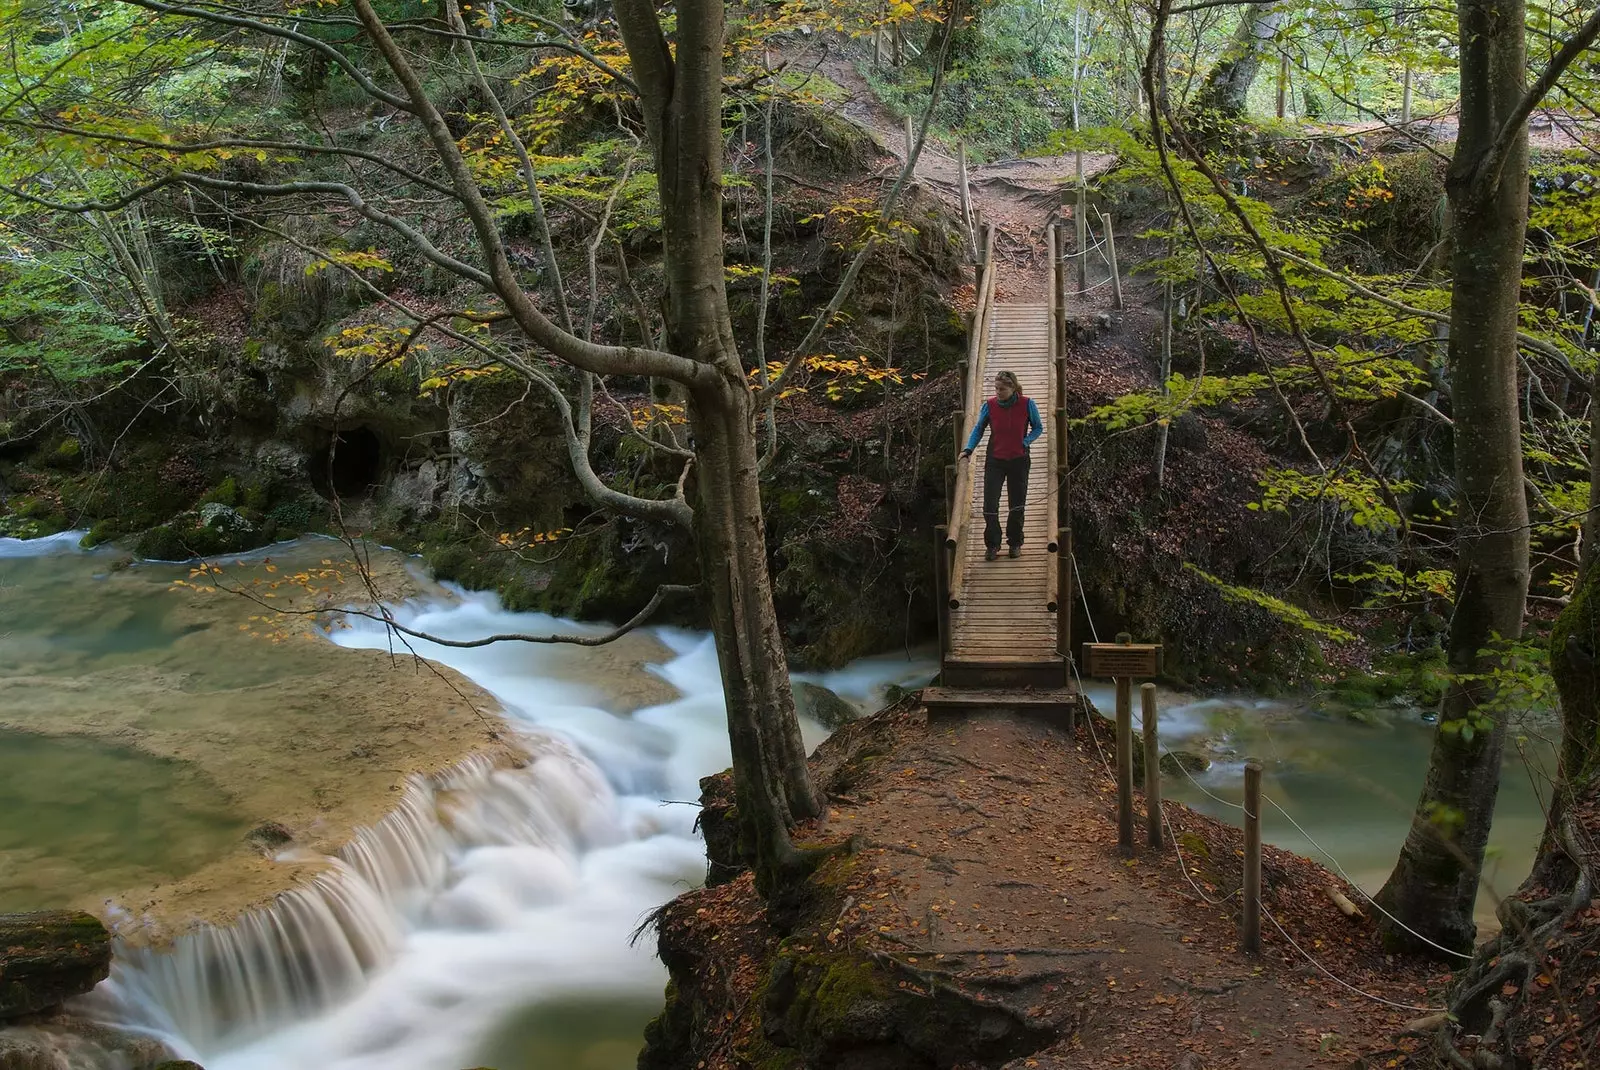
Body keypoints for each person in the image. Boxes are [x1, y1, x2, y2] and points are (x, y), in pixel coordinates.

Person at [960, 370, 1042, 560]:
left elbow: (1038, 427)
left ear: (1013, 388)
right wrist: (968, 449)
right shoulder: (989, 406)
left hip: (1019, 460)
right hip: (995, 459)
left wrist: (1026, 441)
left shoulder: (1027, 404)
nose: (998, 392)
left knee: (1016, 504)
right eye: (996, 389)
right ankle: (992, 545)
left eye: (1002, 389)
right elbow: (979, 428)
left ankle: (1014, 543)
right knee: (989, 505)